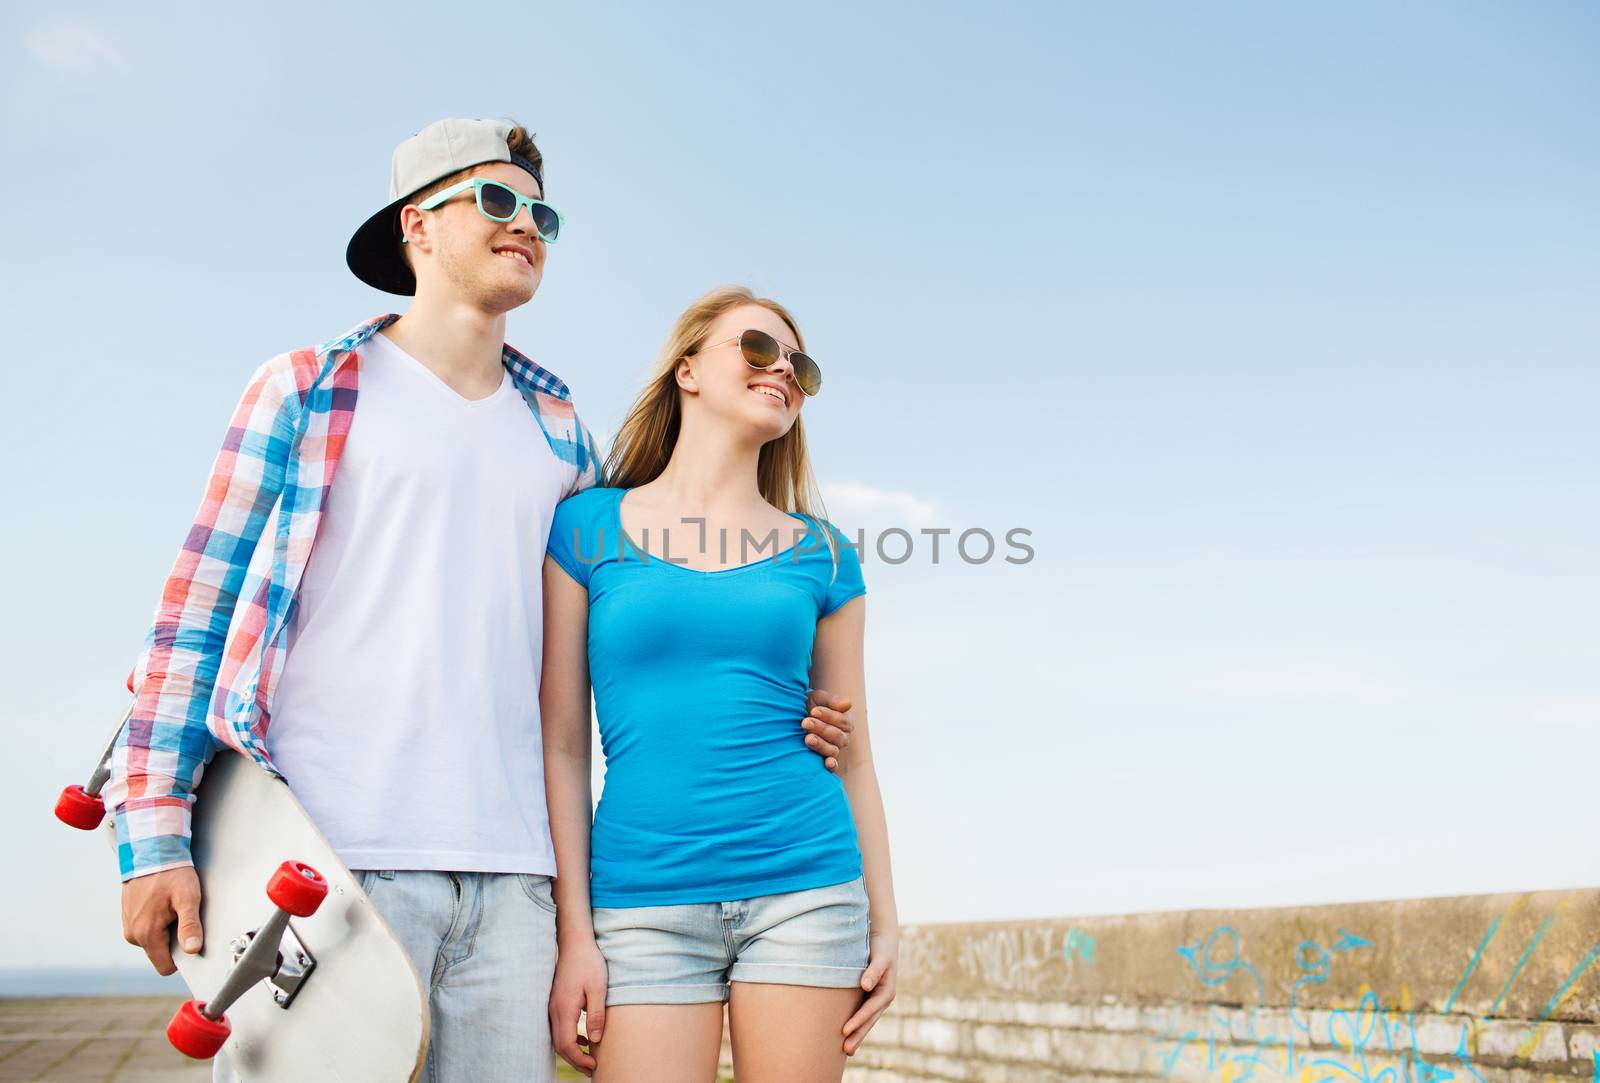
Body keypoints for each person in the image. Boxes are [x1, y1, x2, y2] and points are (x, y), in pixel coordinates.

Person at [103, 119, 857, 1083]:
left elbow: (642, 621)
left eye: (541, 211)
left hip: (520, 889)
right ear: (417, 225)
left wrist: (790, 703)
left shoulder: (561, 436)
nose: (527, 224)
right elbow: (196, 614)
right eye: (496, 200)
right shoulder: (309, 388)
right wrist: (152, 835)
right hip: (331, 865)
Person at [542, 286, 900, 1082]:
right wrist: (575, 934)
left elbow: (856, 756)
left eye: (799, 365)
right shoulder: (585, 527)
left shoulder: (829, 555)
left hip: (808, 891)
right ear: (688, 371)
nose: (784, 373)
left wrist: (887, 918)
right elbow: (563, 745)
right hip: (640, 903)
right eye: (758, 348)